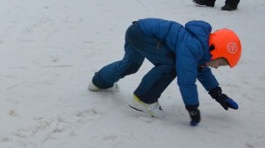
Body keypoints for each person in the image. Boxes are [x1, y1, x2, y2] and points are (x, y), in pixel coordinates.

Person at [88, 18, 241, 126]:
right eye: (220, 63)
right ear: (215, 51)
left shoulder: (200, 46)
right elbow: (186, 78)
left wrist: (217, 93)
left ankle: (99, 82)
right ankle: (144, 99)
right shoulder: (193, 47)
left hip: (136, 30)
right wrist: (192, 107)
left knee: (130, 65)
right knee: (173, 65)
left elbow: (200, 70)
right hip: (144, 34)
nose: (216, 67)